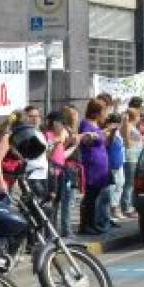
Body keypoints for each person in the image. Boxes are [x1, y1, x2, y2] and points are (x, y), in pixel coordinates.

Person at [77, 100, 112, 236]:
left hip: (101, 165)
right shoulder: (86, 124)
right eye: (104, 111)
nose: (105, 114)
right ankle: (86, 225)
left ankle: (93, 222)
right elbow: (86, 140)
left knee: (96, 195)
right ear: (96, 112)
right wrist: (102, 133)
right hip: (92, 165)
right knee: (90, 196)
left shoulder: (97, 125)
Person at [51, 106, 82, 236]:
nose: (77, 117)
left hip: (70, 169)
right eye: (75, 115)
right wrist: (73, 143)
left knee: (63, 200)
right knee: (66, 200)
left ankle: (56, 229)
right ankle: (65, 230)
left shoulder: (69, 130)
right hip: (67, 169)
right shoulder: (64, 131)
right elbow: (60, 151)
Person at [121, 108, 144, 219]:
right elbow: (127, 142)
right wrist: (139, 140)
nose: (140, 118)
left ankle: (130, 205)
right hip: (130, 158)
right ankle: (126, 207)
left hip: (135, 157)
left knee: (132, 184)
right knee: (129, 184)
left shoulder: (132, 126)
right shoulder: (127, 126)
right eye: (139, 116)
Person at [104, 113, 127, 223]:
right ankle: (111, 210)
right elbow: (109, 143)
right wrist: (112, 130)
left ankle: (115, 207)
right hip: (112, 163)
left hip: (119, 162)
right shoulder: (109, 132)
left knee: (120, 184)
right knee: (112, 187)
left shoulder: (118, 133)